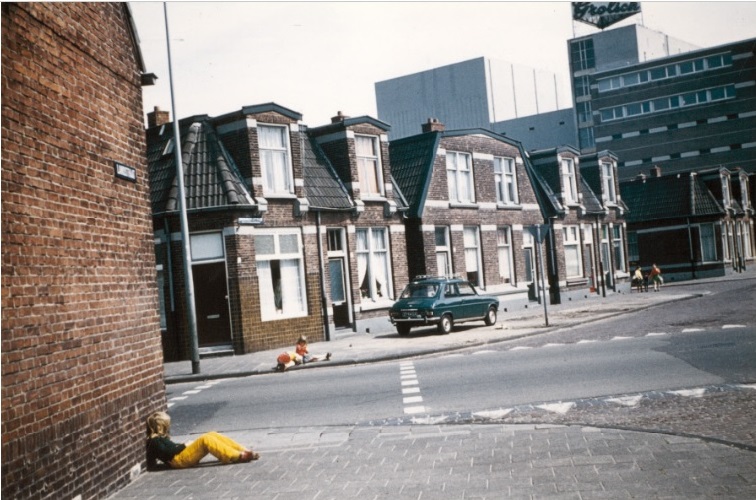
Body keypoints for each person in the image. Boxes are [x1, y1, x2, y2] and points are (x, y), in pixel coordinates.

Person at [145, 411, 259, 470]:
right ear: (160, 426)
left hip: (179, 457)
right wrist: (184, 445)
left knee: (211, 434)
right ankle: (236, 456)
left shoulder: (158, 439)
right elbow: (169, 452)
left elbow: (169, 450)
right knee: (205, 439)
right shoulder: (155, 441)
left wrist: (183, 446)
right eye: (167, 425)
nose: (169, 427)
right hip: (178, 460)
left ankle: (242, 450)